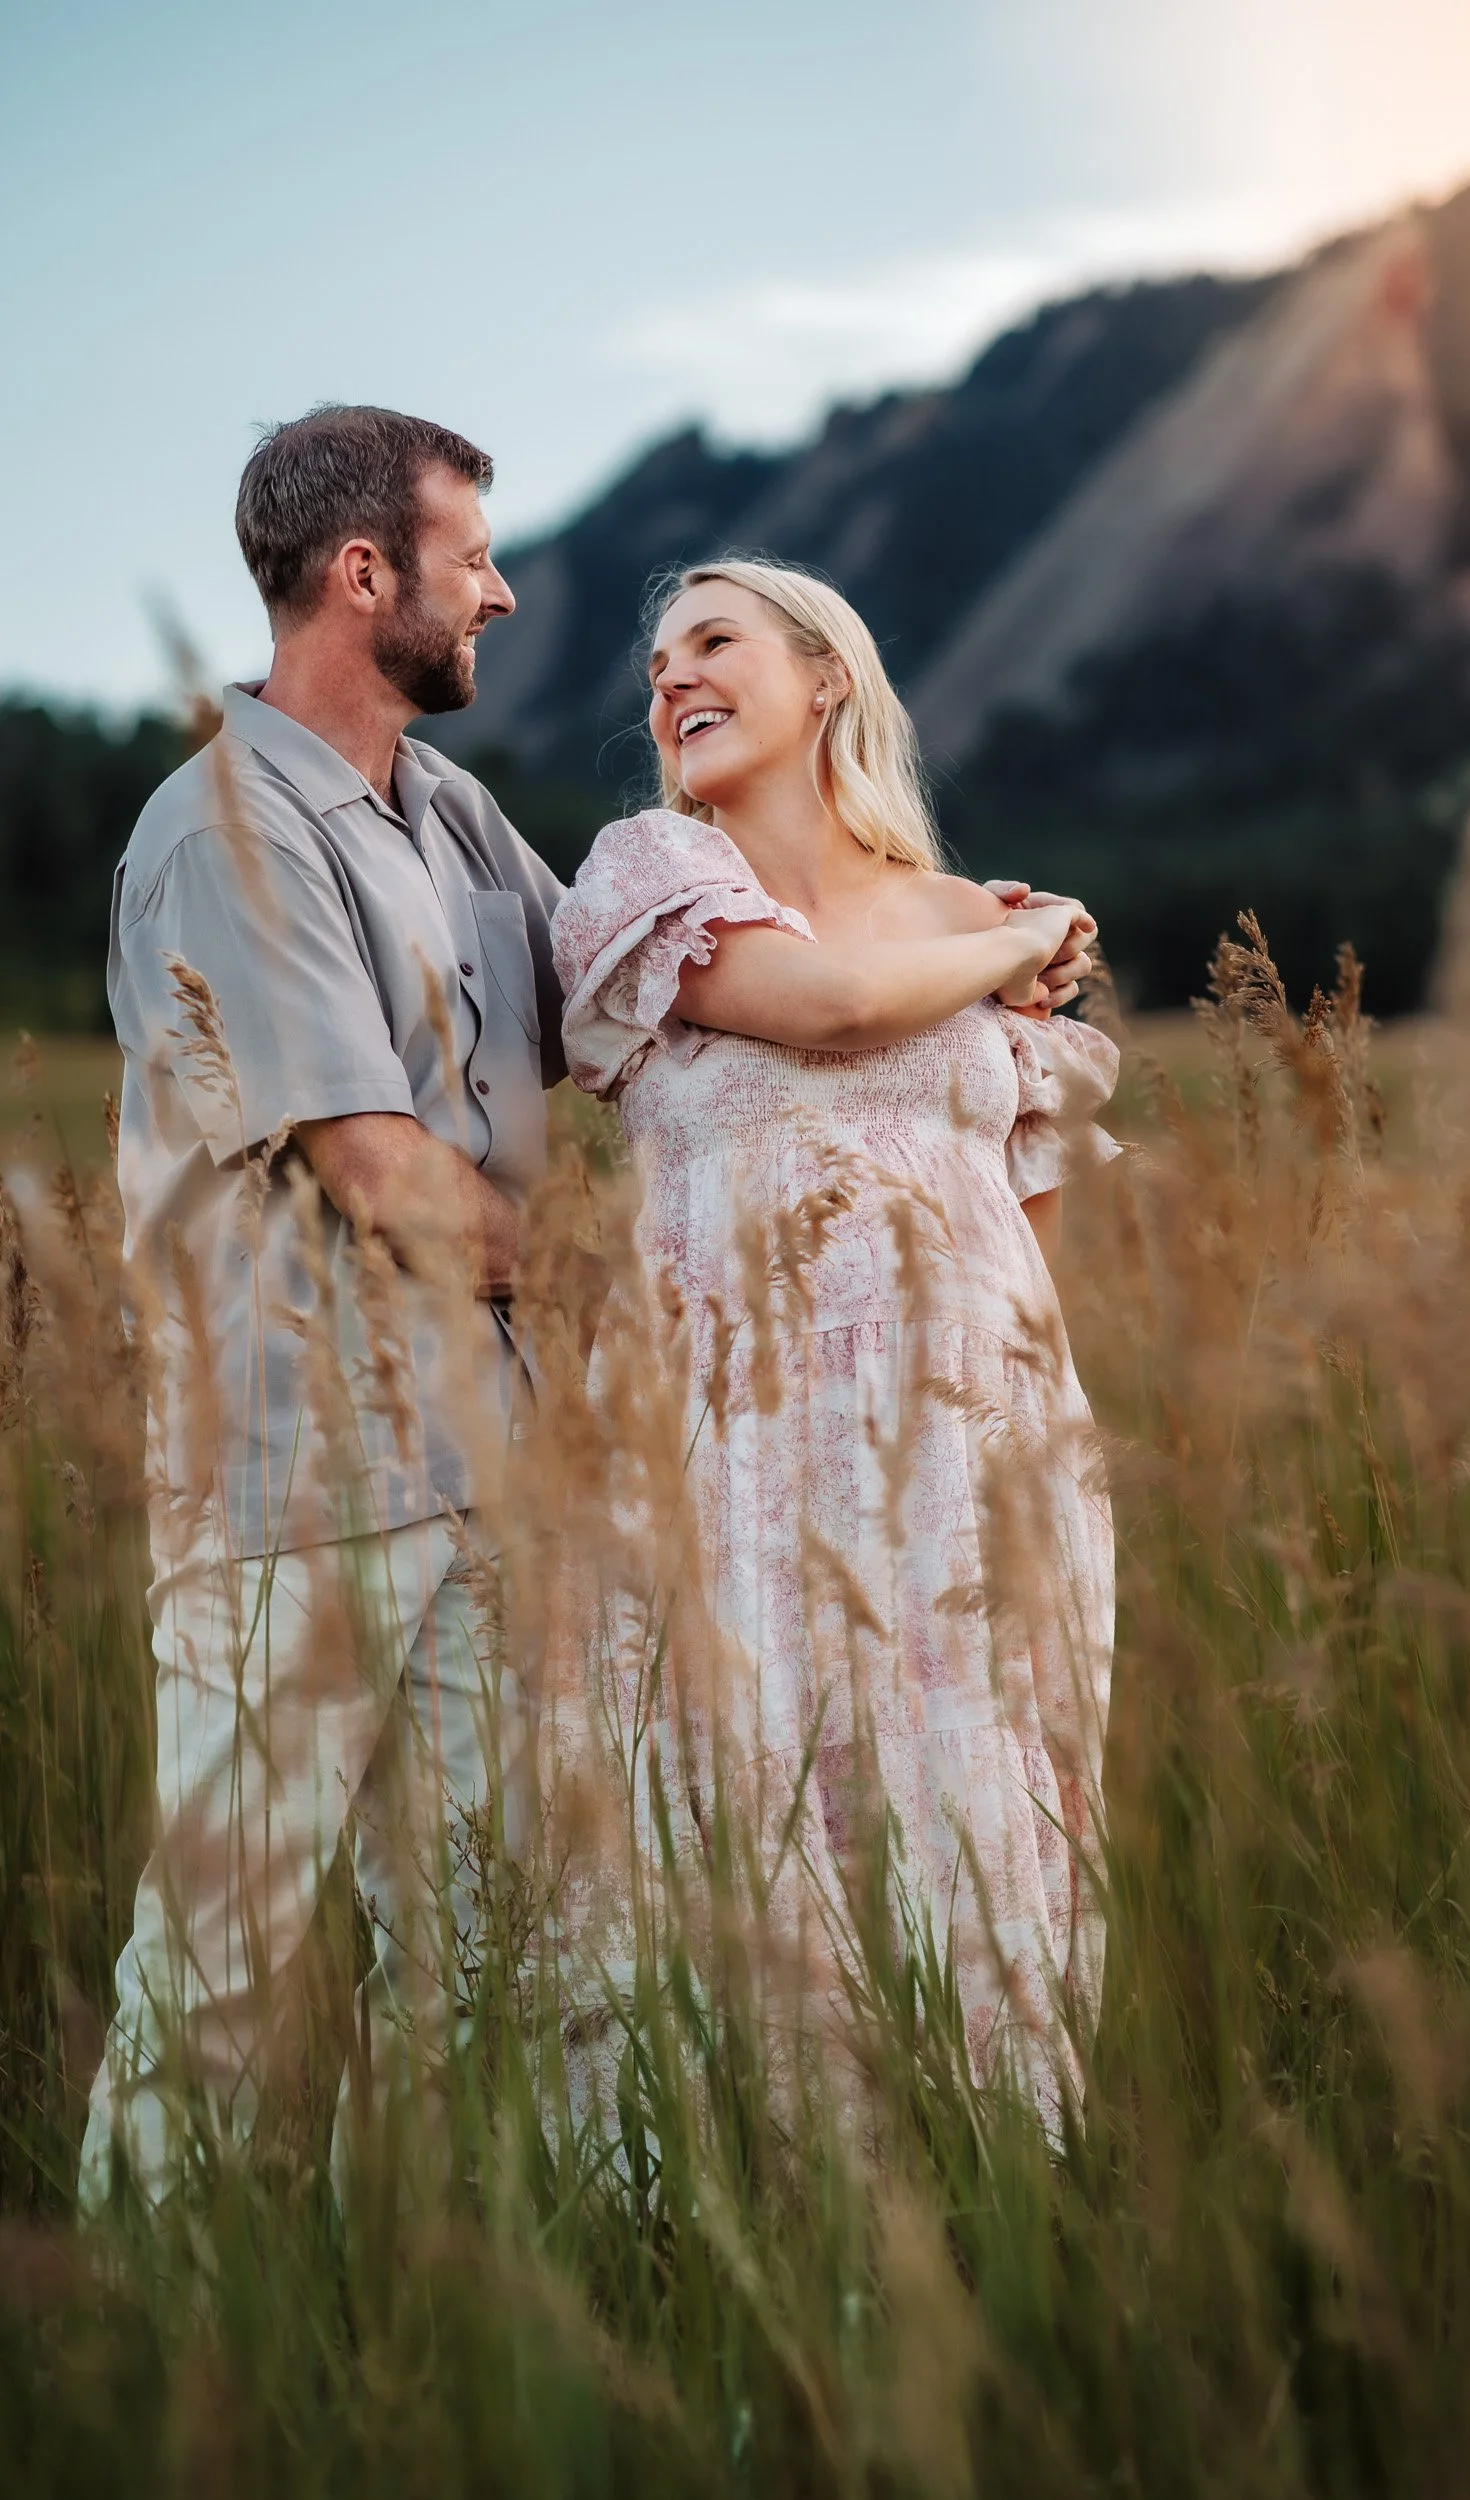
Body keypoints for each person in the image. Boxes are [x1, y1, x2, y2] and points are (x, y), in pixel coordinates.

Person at [549, 558, 1119, 2115]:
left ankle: (986, 2172)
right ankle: (723, 2192)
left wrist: (1028, 1465)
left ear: (826, 679)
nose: (670, 680)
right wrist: (1023, 940)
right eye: (655, 665)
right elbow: (837, 1008)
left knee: (973, 1794)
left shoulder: (957, 917)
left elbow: (1026, 1219)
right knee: (732, 1787)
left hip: (963, 1448)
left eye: (711, 642)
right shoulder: (650, 877)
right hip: (726, 1432)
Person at [81, 405, 567, 2207]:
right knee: (218, 1972)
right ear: (364, 575)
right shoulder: (225, 833)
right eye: (473, 560)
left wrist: (937, 950)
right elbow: (384, 1179)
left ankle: (415, 2314)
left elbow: (631, 986)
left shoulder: (451, 811)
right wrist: (643, 1275)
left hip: (481, 1467)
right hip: (295, 1488)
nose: (499, 596)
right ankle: (131, 2331)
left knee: (482, 1957)